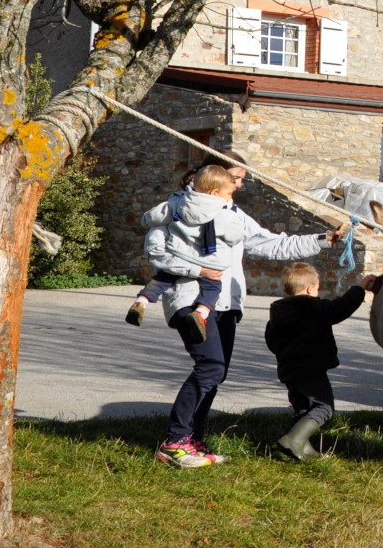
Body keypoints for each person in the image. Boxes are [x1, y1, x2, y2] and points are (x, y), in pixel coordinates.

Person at [144, 167, 345, 469]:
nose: (239, 184)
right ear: (212, 180)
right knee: (209, 367)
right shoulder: (173, 211)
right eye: (235, 178)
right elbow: (157, 254)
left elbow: (271, 243)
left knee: (216, 372)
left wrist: (322, 239)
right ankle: (175, 442)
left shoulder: (232, 214)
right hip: (191, 300)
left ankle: (192, 439)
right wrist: (198, 271)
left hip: (226, 303)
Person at [125, 151, 251, 326]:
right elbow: (235, 237)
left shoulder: (176, 204)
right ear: (217, 188)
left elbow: (150, 218)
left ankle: (142, 300)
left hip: (179, 256)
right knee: (213, 287)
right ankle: (201, 312)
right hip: (208, 266)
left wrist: (149, 219)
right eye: (235, 180)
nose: (238, 186)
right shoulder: (225, 214)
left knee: (162, 278)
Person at [265, 261, 367, 461]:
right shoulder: (313, 307)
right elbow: (340, 308)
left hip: (289, 370)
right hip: (311, 370)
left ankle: (299, 449)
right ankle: (293, 441)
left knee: (303, 409)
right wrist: (360, 288)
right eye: (318, 288)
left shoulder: (277, 312)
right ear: (311, 288)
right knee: (323, 408)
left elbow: (271, 341)